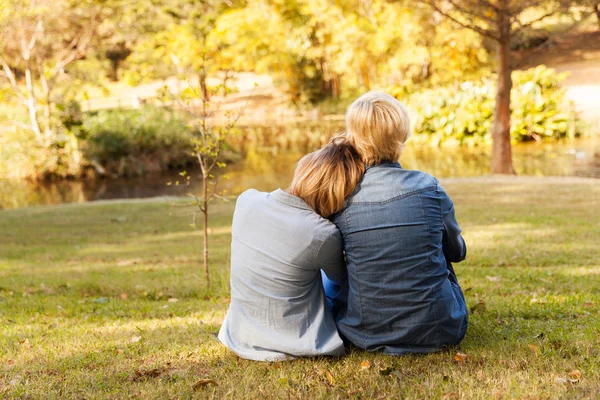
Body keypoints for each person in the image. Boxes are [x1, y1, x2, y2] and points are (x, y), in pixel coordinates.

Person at [324, 91, 469, 354]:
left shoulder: (341, 196)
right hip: (441, 330)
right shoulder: (429, 187)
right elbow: (457, 252)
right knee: (438, 252)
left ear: (353, 138)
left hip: (364, 334)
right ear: (402, 135)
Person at [218, 137, 364, 361]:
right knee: (341, 280)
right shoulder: (322, 233)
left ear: (304, 169)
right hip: (295, 343)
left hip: (239, 335)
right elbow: (341, 281)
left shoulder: (246, 200)